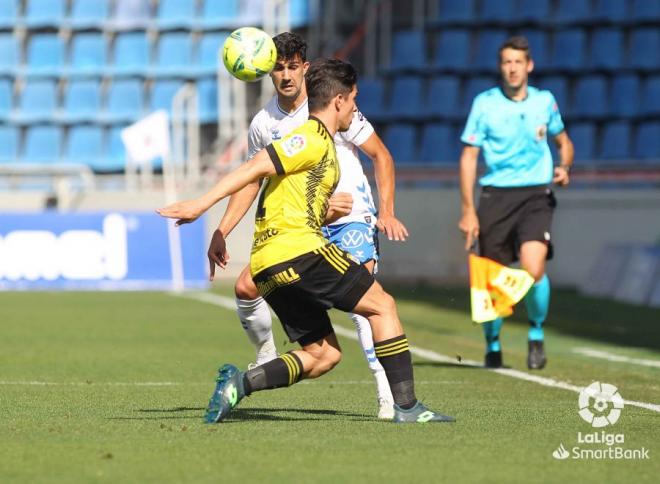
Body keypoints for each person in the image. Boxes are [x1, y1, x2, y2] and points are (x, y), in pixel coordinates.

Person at [158, 58, 454, 424]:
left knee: (323, 355)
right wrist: (201, 204)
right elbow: (253, 169)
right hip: (298, 252)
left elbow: (288, 198)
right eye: (354, 100)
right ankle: (407, 407)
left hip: (269, 267)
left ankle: (239, 384)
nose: (355, 110)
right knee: (383, 305)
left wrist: (325, 214)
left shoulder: (325, 148)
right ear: (340, 101)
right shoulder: (310, 139)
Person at [206, 32, 408, 419]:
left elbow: (380, 155)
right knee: (247, 285)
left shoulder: (334, 105)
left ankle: (387, 395)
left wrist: (387, 210)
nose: (285, 76)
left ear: (305, 68)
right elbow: (253, 178)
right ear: (267, 71)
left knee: (367, 304)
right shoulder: (264, 123)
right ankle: (264, 357)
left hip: (349, 217)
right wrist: (223, 229)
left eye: (292, 67)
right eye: (278, 68)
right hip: (303, 229)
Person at [458, 36, 575, 370]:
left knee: (533, 267)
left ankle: (535, 333)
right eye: (507, 62)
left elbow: (564, 142)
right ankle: (492, 344)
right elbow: (469, 157)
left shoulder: (544, 101)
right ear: (501, 66)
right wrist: (468, 209)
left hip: (536, 195)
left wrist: (564, 167)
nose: (512, 68)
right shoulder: (485, 103)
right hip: (495, 196)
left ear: (529, 65)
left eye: (518, 62)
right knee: (492, 282)